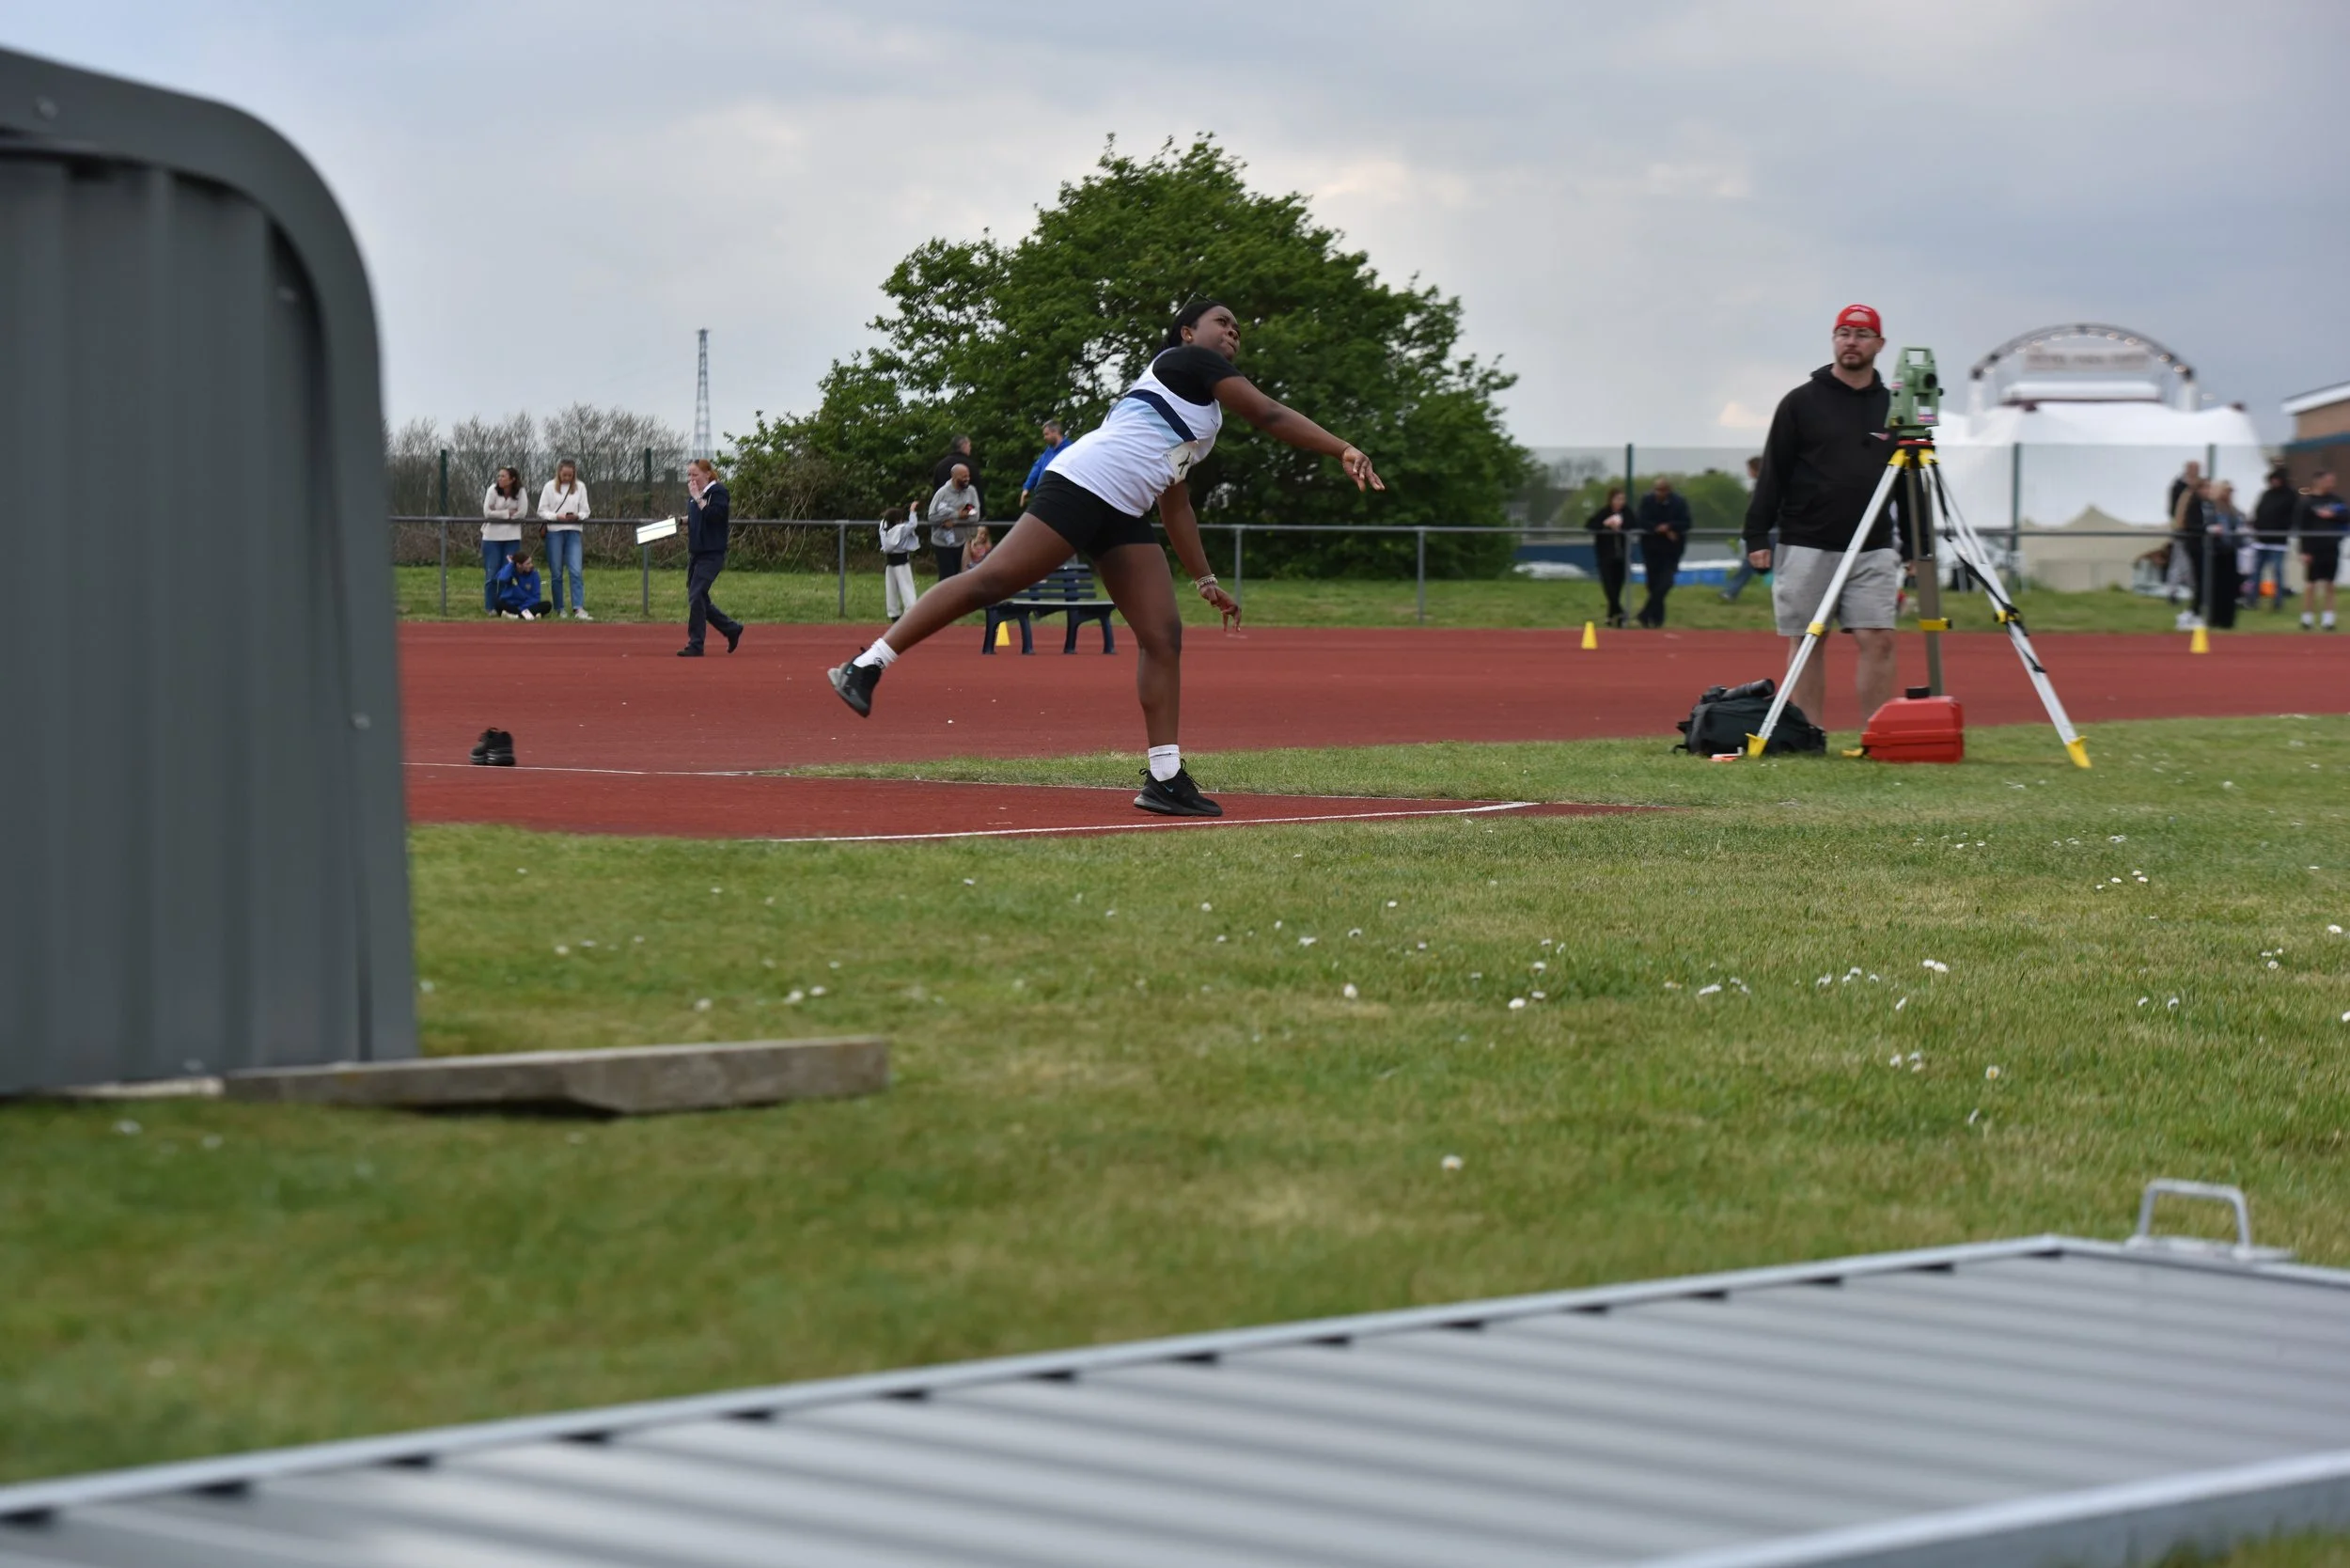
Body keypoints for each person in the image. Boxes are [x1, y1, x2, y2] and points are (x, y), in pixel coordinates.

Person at [828, 300, 1384, 817]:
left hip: (1124, 511)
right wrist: (1342, 447)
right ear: (1188, 333)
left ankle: (1164, 779)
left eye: (1238, 327)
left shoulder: (1205, 415)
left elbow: (1175, 502)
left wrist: (1204, 578)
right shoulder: (1185, 361)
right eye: (1222, 321)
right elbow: (1269, 414)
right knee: (991, 581)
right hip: (1083, 484)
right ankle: (866, 664)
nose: (1233, 330)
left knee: (1163, 635)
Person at [1742, 303, 1910, 728]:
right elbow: (1773, 472)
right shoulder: (1800, 403)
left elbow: (1908, 481)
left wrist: (1915, 543)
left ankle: (1877, 735)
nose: (1851, 342)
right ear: (1834, 340)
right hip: (1807, 541)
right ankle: (1810, 734)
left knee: (1879, 639)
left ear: (1879, 344)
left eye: (1862, 335)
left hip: (1873, 546)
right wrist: (1756, 533)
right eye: (1844, 333)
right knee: (1807, 642)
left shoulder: (1894, 407)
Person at [677, 458, 742, 656]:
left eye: (695, 474)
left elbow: (715, 516)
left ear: (707, 474)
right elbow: (697, 516)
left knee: (696, 595)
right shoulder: (696, 496)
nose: (691, 479)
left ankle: (696, 644)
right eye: (689, 475)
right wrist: (681, 521)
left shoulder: (718, 492)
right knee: (699, 598)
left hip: (712, 553)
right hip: (696, 552)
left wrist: (698, 498)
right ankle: (731, 628)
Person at [537, 459, 592, 619]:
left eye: (570, 475)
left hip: (574, 531)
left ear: (574, 474)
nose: (567, 478)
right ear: (559, 473)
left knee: (576, 570)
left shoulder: (580, 487)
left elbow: (586, 511)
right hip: (554, 531)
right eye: (564, 475)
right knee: (556, 572)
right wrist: (556, 517)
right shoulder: (549, 487)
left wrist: (577, 516)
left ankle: (578, 608)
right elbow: (542, 510)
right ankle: (559, 608)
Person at [1634, 477, 1689, 627]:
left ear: (1668, 491)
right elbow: (1641, 520)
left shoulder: (1679, 502)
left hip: (1672, 550)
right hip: (1651, 548)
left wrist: (1670, 526)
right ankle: (1656, 619)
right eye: (1656, 489)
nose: (1658, 493)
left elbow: (1686, 522)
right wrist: (1657, 528)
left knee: (1666, 582)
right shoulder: (1647, 501)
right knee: (1652, 584)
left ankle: (1645, 613)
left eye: (1662, 490)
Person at [2297, 470, 2345, 632]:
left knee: (2330, 584)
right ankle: (2307, 619)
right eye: (2328, 480)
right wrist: (2304, 551)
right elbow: (2302, 527)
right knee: (2311, 584)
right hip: (2313, 548)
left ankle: (2328, 620)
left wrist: (2333, 515)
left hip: (2331, 546)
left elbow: (2346, 516)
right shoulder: (2307, 502)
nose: (2331, 484)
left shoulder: (2336, 500)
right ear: (2318, 481)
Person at [1719, 456, 1771, 602]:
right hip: (1766, 529)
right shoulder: (1763, 486)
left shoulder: (1763, 487)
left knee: (1752, 561)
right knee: (1751, 563)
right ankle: (1731, 591)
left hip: (1767, 530)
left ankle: (1731, 592)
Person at [479, 466, 528, 616]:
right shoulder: (492, 490)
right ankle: (490, 607)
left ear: (512, 479)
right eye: (499, 476)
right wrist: (507, 513)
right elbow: (487, 512)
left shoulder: (520, 492)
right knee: (492, 573)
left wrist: (498, 513)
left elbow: (522, 513)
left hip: (512, 538)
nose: (499, 479)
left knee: (507, 573)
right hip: (491, 537)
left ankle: (503, 606)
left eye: (503, 476)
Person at [2249, 466, 2297, 611]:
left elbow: (2292, 516)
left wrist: (2284, 528)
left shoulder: (2290, 496)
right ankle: (2252, 599)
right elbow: (2259, 511)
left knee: (2277, 571)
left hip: (2278, 541)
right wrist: (2257, 526)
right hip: (2262, 540)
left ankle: (2278, 601)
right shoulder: (2266, 495)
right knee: (2256, 571)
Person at [1585, 486, 1633, 628]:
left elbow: (1635, 524)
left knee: (1617, 588)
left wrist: (1622, 526)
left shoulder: (1627, 512)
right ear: (1611, 500)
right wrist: (1605, 524)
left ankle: (1612, 617)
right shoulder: (1604, 512)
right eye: (1618, 499)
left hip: (1622, 557)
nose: (1620, 502)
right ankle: (1620, 612)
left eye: (1622, 499)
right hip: (1605, 556)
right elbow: (1590, 525)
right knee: (1609, 587)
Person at [2171, 476, 2212, 631]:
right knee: (2197, 580)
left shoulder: (2204, 504)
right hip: (2194, 546)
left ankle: (2194, 612)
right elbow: (2191, 525)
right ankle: (2190, 614)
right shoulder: (2194, 503)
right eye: (2206, 488)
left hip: (2200, 546)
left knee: (2201, 581)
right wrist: (2207, 529)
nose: (2208, 491)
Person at [927, 463, 980, 581]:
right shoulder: (942, 493)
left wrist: (954, 520)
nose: (967, 479)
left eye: (968, 476)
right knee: (947, 577)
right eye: (964, 476)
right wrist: (957, 514)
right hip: (942, 542)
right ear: (954, 477)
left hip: (961, 541)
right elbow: (932, 517)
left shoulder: (971, 491)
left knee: (958, 577)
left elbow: (975, 516)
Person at [2203, 479, 2244, 631]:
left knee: (2230, 586)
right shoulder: (2212, 509)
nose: (2229, 495)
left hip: (2231, 551)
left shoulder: (2234, 511)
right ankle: (2215, 618)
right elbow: (2206, 526)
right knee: (2216, 586)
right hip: (2216, 552)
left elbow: (2239, 526)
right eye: (2226, 491)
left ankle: (2228, 619)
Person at [878, 502, 921, 619]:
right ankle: (911, 614)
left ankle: (894, 614)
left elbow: (885, 520)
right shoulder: (900, 530)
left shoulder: (883, 527)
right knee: (907, 589)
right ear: (898, 520)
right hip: (902, 563)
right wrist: (912, 511)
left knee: (891, 590)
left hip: (890, 563)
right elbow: (912, 524)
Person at [1019, 420, 1069, 510]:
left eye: (1046, 434)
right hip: (1042, 496)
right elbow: (1037, 467)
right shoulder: (1048, 451)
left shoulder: (1069, 450)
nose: (1044, 437)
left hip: (1058, 500)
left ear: (1055, 432)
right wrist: (1027, 488)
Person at [492, 551, 550, 619]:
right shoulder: (511, 571)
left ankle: (516, 616)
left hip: (527, 605)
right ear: (519, 565)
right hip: (512, 604)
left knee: (547, 605)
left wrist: (522, 608)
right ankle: (529, 615)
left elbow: (536, 597)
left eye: (531, 562)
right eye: (528, 564)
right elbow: (501, 578)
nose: (531, 565)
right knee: (498, 603)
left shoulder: (534, 574)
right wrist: (511, 564)